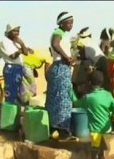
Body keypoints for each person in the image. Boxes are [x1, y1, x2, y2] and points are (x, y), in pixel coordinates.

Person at [45, 11, 76, 140]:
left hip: (58, 67)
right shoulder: (58, 33)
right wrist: (66, 57)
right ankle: (63, 132)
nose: (71, 25)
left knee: (54, 99)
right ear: (62, 23)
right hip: (60, 68)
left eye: (72, 22)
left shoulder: (61, 33)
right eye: (69, 22)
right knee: (63, 99)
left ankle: (51, 128)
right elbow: (55, 44)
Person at [0, 24, 36, 105]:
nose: (17, 33)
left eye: (18, 31)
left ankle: (19, 113)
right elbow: (13, 56)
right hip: (11, 69)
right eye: (14, 31)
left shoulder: (17, 42)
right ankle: (10, 114)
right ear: (9, 31)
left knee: (21, 94)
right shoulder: (5, 42)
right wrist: (21, 49)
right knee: (11, 94)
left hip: (19, 68)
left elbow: (26, 53)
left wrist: (22, 44)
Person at [72, 27, 111, 96]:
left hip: (100, 62)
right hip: (103, 61)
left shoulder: (82, 41)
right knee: (106, 84)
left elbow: (81, 56)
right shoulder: (91, 42)